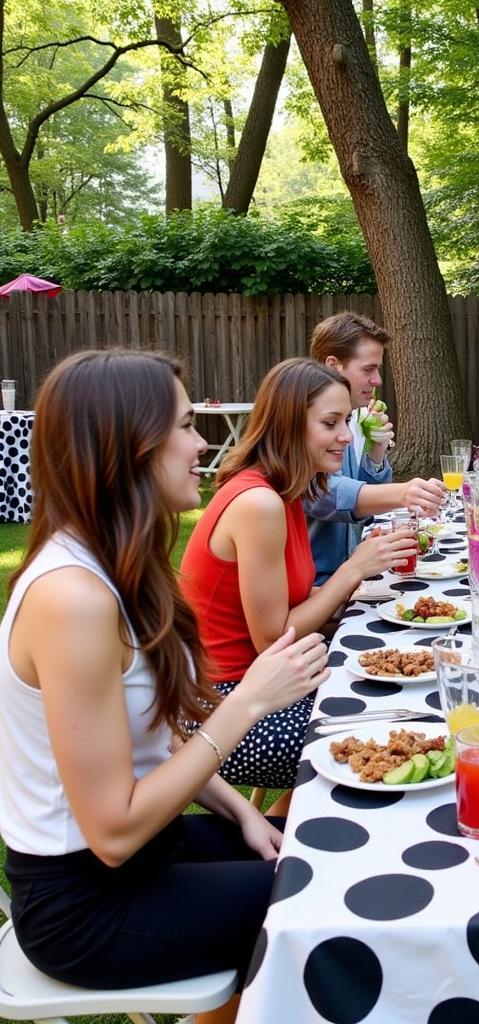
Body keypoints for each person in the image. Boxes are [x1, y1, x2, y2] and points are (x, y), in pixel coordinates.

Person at [0, 350, 326, 1018]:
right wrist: (249, 704)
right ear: (129, 446)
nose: (201, 442)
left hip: (151, 852)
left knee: (318, 843)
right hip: (87, 907)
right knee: (327, 901)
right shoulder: (73, 599)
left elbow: (160, 738)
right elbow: (112, 831)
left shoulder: (118, 565)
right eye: (183, 424)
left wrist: (242, 813)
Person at [180, 358, 416, 789]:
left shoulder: (286, 490)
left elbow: (293, 602)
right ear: (288, 426)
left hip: (269, 683)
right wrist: (353, 571)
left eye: (345, 420)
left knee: (402, 696)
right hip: (223, 709)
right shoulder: (260, 503)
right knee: (386, 739)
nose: (346, 435)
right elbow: (273, 639)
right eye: (330, 423)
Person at [305, 311, 446, 583]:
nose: (378, 380)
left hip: (351, 573)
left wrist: (376, 449)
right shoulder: (307, 419)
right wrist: (404, 493)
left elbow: (366, 502)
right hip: (319, 587)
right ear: (333, 365)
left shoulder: (354, 416)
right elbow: (323, 494)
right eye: (368, 369)